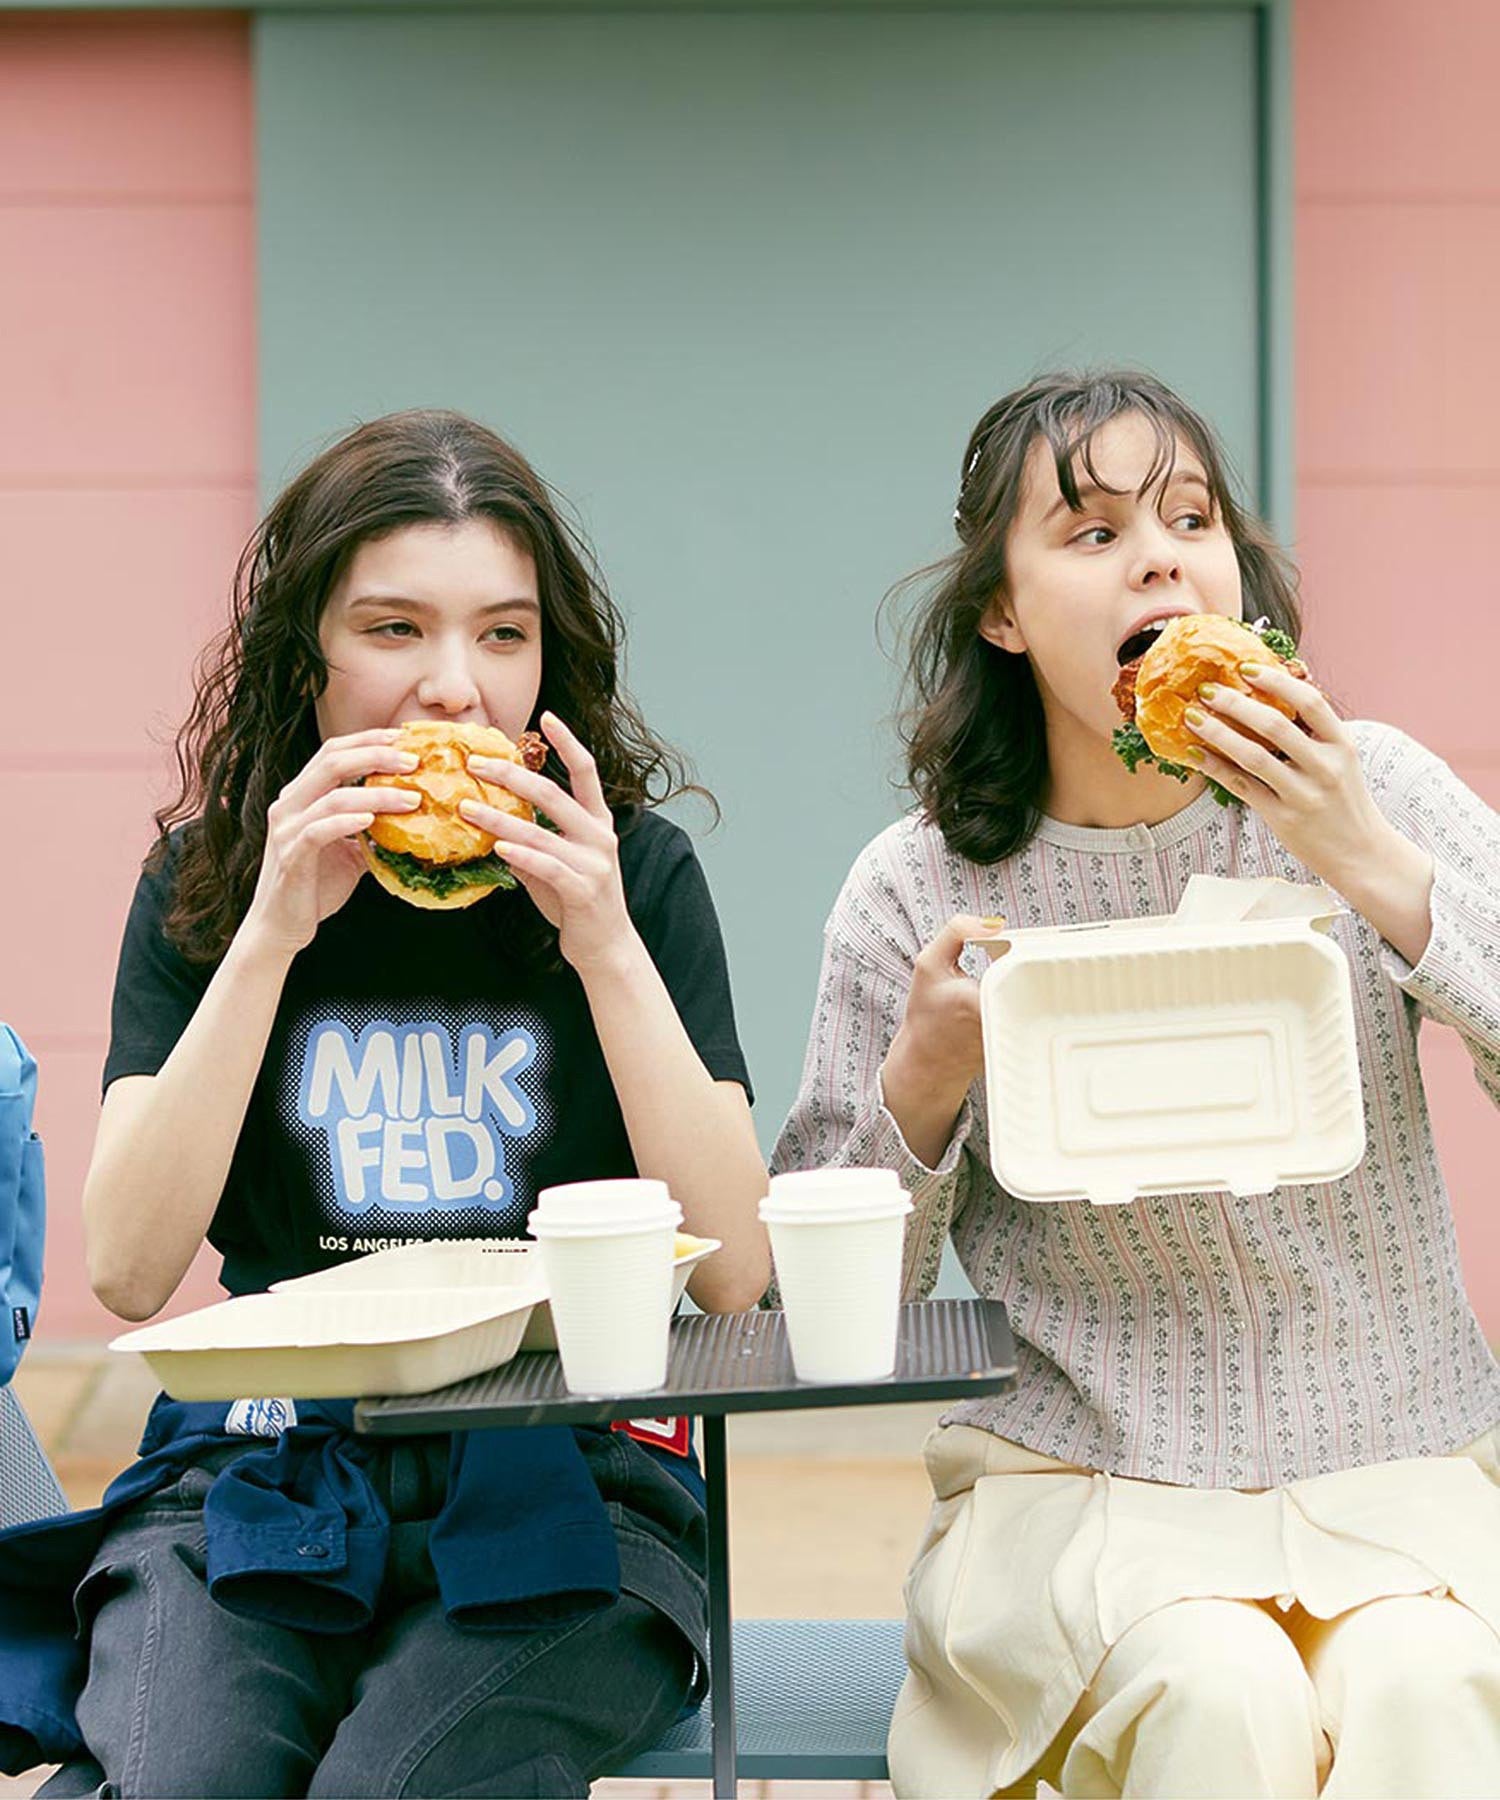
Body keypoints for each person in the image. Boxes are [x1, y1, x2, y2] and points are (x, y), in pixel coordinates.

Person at [772, 370, 1500, 1799]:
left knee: (1420, 1681)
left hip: (1402, 1456)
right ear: (1001, 609)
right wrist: (921, 1082)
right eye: (1092, 532)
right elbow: (830, 1299)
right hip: (1086, 1489)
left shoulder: (1377, 791)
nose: (1161, 553)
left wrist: (1380, 876)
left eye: (1189, 516)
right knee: (1213, 1685)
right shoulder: (915, 887)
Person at [30, 409, 770, 1799]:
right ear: (303, 653)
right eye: (392, 630)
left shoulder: (637, 877)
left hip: (579, 1476)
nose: (454, 689)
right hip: (267, 1469)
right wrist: (269, 937)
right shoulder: (209, 882)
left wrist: (605, 942)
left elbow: (736, 1272)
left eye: (502, 635)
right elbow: (130, 1272)